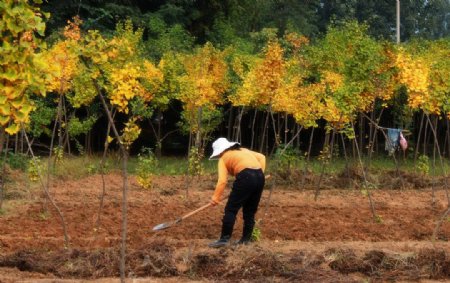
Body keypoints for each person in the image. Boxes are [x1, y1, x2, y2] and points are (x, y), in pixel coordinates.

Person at [208, 137, 266, 248]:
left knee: (231, 209)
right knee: (249, 211)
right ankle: (245, 240)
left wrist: (215, 198)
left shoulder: (223, 159)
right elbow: (262, 157)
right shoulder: (244, 150)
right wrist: (260, 175)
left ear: (221, 151)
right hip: (259, 176)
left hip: (245, 177)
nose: (219, 156)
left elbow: (222, 181)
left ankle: (224, 239)